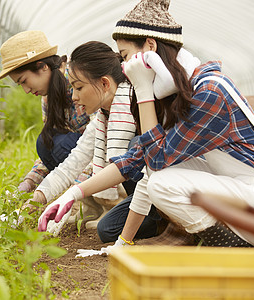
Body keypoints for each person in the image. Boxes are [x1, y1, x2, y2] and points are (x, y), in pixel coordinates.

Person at [39, 0, 254, 251]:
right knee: (157, 177)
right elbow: (136, 159)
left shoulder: (210, 91)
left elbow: (156, 160)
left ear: (150, 47)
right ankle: (228, 243)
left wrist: (142, 90)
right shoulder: (176, 95)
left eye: (126, 56)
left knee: (162, 182)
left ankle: (236, 249)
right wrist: (73, 193)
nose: (124, 67)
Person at [31, 41, 161, 239]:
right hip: (143, 193)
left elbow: (125, 165)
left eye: (79, 87)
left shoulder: (135, 106)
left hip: (163, 188)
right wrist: (34, 201)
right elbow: (70, 165)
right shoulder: (102, 118)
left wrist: (74, 193)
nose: (74, 97)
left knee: (134, 147)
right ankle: (151, 217)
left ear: (104, 83)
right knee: (107, 230)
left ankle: (165, 217)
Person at [0, 31, 91, 193]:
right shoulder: (48, 98)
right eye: (20, 85)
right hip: (83, 155)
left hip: (101, 155)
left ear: (42, 66)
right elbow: (48, 152)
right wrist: (28, 183)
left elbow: (101, 143)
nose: (26, 90)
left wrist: (76, 191)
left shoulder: (80, 82)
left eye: (24, 81)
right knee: (46, 143)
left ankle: (91, 195)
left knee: (58, 143)